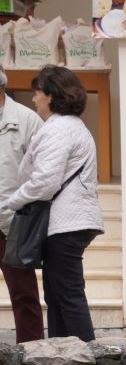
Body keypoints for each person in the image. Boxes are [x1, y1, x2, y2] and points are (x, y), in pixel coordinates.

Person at [1, 65, 103, 342]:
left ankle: (85, 357)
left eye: (37, 93)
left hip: (67, 222)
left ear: (51, 95)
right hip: (70, 221)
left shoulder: (59, 129)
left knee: (67, 294)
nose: (34, 99)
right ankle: (63, 354)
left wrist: (13, 200)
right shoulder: (68, 126)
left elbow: (45, 181)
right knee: (58, 293)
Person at [0, 68, 44, 343]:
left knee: (23, 293)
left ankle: (32, 353)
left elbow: (42, 170)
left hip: (13, 220)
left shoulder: (27, 120)